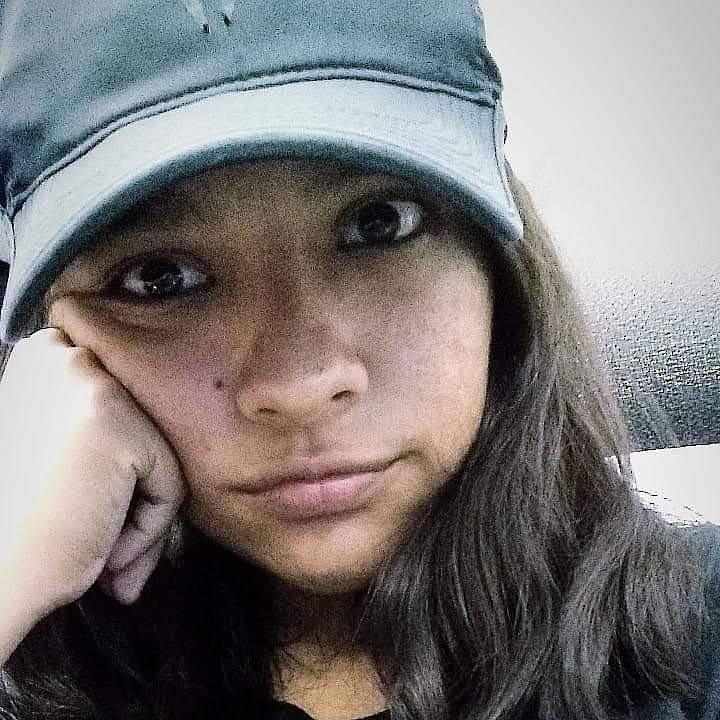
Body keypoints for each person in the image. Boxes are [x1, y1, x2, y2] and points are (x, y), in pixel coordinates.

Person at [0, 1, 718, 719]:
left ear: (497, 267)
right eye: (159, 278)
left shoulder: (696, 640)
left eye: (379, 225)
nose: (300, 385)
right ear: (54, 341)